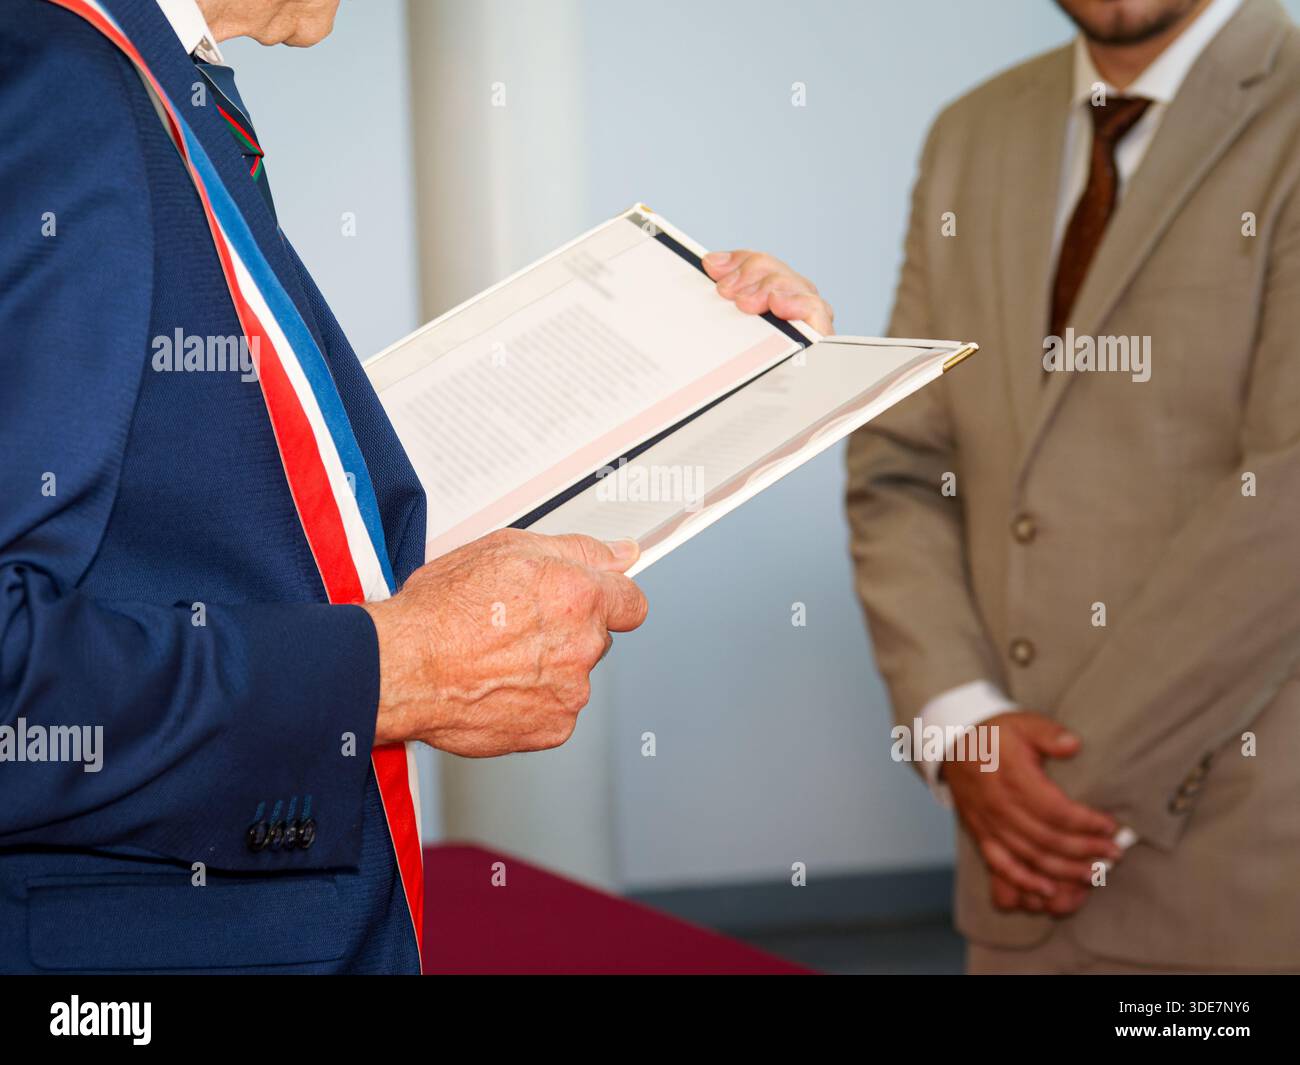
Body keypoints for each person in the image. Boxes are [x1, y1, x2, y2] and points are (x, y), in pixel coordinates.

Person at [0, 0, 831, 974]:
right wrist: (393, 670)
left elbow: (191, 506)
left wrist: (715, 359)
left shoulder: (150, 77)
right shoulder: (55, 71)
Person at [846, 0, 1300, 973]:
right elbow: (900, 462)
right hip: (1006, 860)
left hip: (1248, 862)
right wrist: (961, 726)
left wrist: (1051, 797)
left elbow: (1288, 498)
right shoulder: (970, 133)